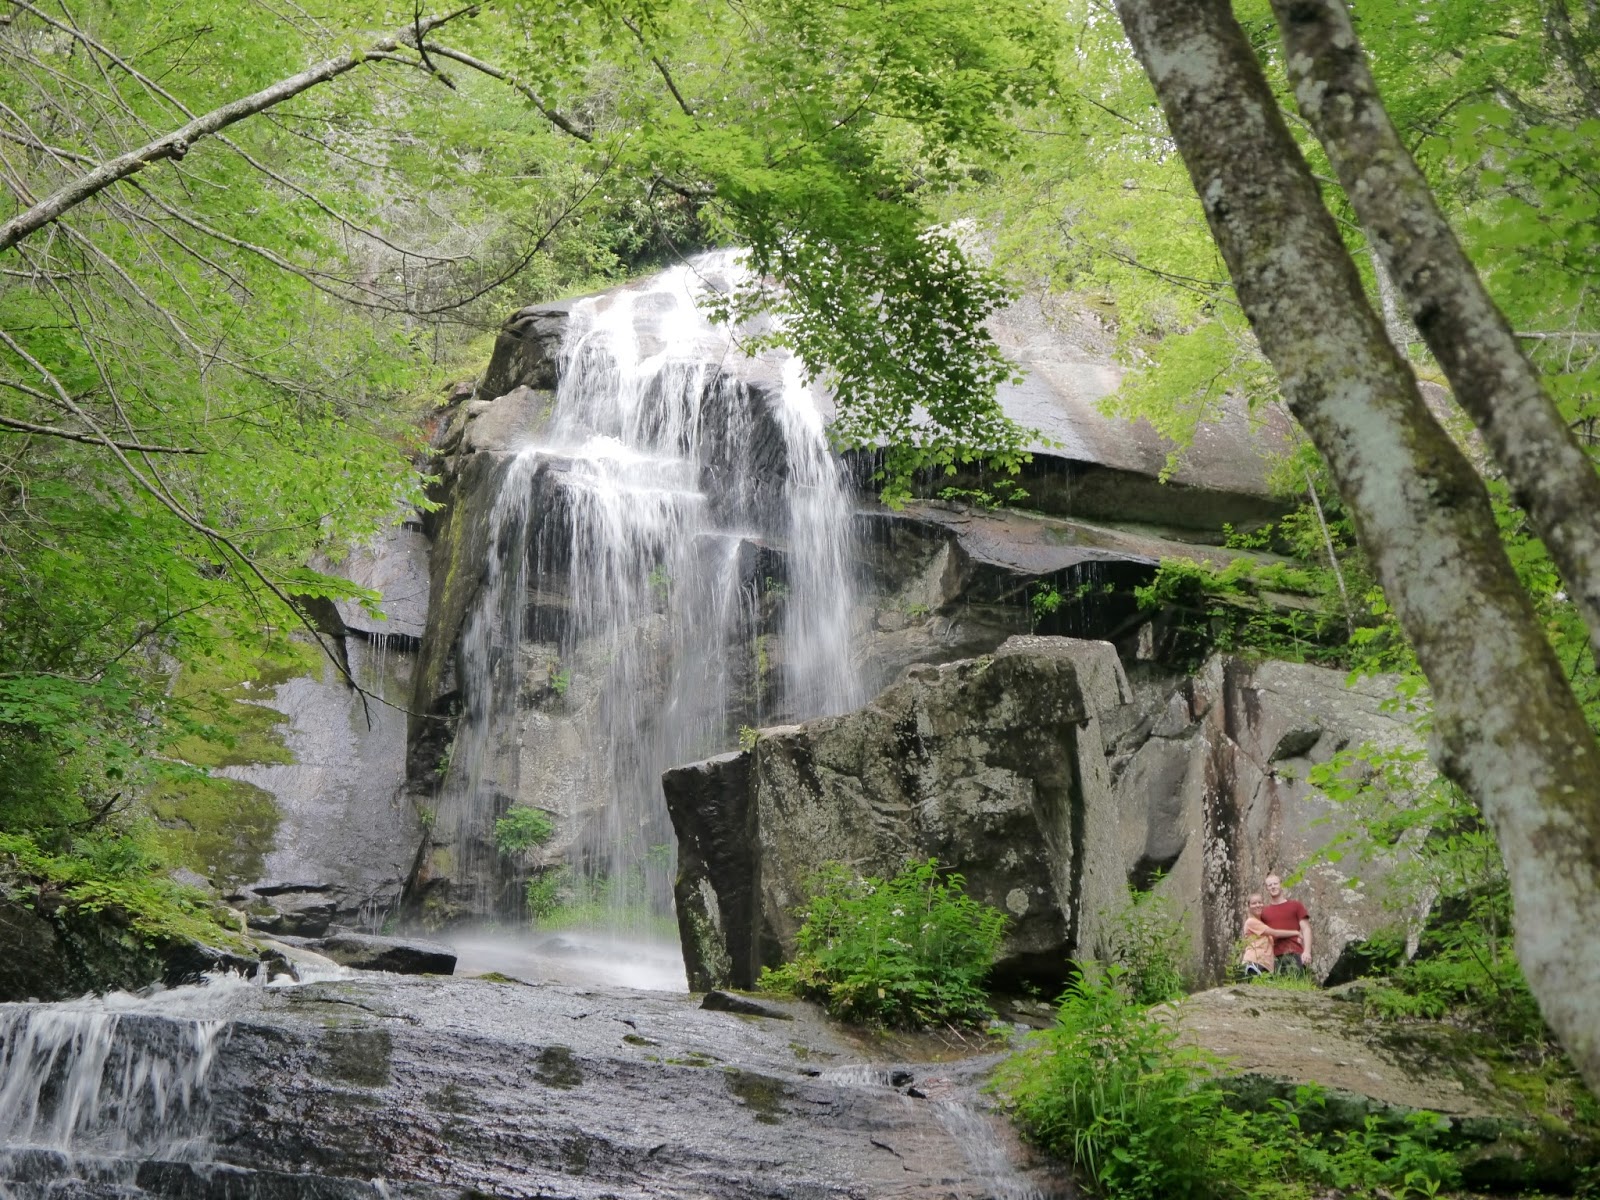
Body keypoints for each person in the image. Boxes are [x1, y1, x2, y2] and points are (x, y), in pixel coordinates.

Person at [1260, 872, 1312, 976]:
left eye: (1275, 883)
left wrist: (1307, 951)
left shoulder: (1295, 905)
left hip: (1294, 952)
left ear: (1281, 884)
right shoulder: (1264, 912)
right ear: (1266, 889)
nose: (1273, 887)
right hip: (1273, 957)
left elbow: (1306, 929)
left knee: (1298, 987)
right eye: (1269, 885)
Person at [1239, 894, 1301, 977]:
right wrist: (1296, 933)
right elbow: (1275, 933)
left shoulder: (1262, 923)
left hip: (1265, 966)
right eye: (1254, 903)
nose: (1257, 905)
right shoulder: (1251, 922)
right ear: (1249, 906)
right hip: (1254, 962)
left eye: (1260, 902)